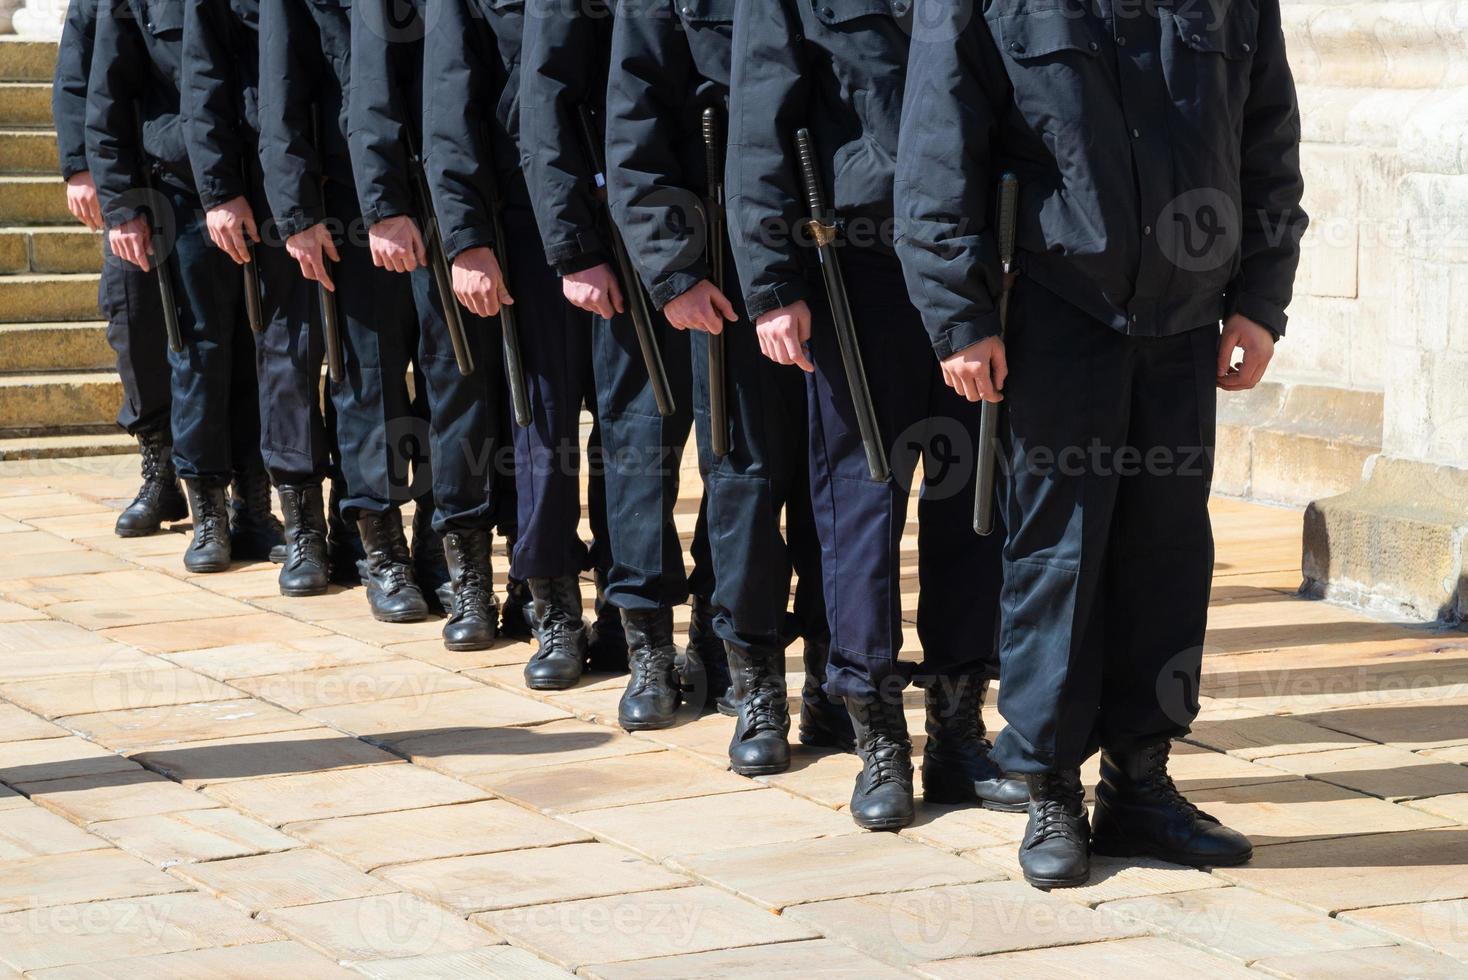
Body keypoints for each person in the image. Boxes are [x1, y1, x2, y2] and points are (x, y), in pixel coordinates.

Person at [896, 0, 1307, 886]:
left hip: (1187, 320)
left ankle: (1141, 784)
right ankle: (1050, 788)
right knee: (1058, 557)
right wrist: (959, 315)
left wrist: (1261, 298)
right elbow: (938, 148)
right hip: (1057, 309)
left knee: (1166, 556)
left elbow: (1267, 140)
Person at [727, 0, 1024, 829]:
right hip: (858, 269)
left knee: (973, 510)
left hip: (973, 264)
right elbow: (759, 123)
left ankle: (960, 733)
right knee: (860, 506)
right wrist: (773, 285)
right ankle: (877, 732)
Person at [605, 0, 849, 774]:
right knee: (744, 484)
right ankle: (756, 686)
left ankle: (834, 684)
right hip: (730, 272)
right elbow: (633, 128)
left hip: (860, 265)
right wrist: (674, 272)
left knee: (844, 496)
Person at [521, 0, 721, 726]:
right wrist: (576, 248)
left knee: (743, 458)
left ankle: (718, 636)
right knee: (639, 446)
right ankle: (647, 648)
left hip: (751, 231)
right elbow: (548, 105)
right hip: (640, 237)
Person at [421, 0, 625, 682]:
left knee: (634, 432)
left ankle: (624, 613)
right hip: (528, 222)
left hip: (639, 215)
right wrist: (467, 237)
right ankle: (554, 607)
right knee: (543, 427)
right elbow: (450, 105)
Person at [86, 0, 283, 574]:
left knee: (264, 356)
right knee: (199, 353)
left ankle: (255, 508)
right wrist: (122, 203)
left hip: (269, 188)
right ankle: (209, 513)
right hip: (181, 194)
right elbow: (107, 93)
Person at [348, 0, 518, 649]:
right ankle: (398, 554)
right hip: (413, 210)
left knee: (469, 396)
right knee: (392, 389)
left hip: (495, 207)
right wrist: (385, 205)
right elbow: (375, 87)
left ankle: (449, 551)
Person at [257, 0, 428, 620]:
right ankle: (381, 549)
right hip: (350, 199)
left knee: (448, 378)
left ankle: (434, 544)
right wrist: (298, 215)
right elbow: (281, 91)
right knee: (369, 378)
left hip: (447, 187)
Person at [181, 0, 339, 596]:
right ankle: (303, 527)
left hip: (363, 182)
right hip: (271, 184)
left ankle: (358, 529)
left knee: (365, 371)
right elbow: (205, 74)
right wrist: (219, 189)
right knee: (287, 363)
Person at [55, 0, 183, 541]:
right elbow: (76, 68)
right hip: (128, 179)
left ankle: (227, 483)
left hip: (209, 168)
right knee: (132, 320)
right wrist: (78, 165)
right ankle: (159, 471)